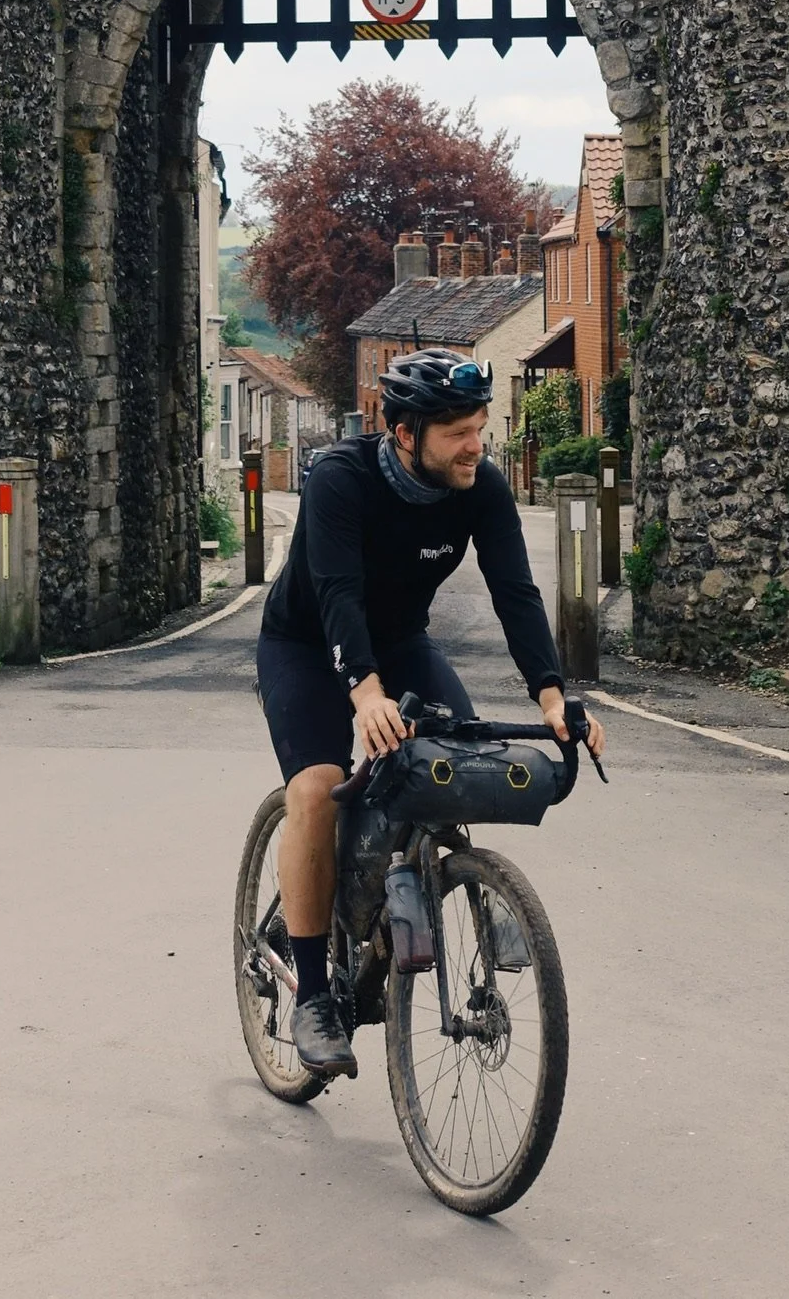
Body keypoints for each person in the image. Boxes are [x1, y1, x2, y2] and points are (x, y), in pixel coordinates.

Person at [255, 347, 607, 1076]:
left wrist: (552, 696)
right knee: (318, 787)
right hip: (309, 643)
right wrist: (364, 691)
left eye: (479, 425)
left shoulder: (477, 485)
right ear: (405, 431)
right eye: (457, 430)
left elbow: (514, 591)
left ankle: (438, 890)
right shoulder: (340, 480)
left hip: (402, 642)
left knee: (459, 765)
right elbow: (337, 595)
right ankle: (315, 994)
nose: (475, 443)